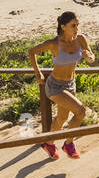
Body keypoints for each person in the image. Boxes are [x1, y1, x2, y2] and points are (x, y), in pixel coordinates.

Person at [27, 10, 94, 159]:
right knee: (81, 111)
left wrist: (89, 57)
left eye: (78, 25)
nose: (77, 29)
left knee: (61, 119)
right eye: (73, 26)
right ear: (63, 27)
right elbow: (32, 52)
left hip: (71, 84)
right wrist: (38, 73)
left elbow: (91, 57)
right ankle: (68, 144)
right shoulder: (54, 43)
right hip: (55, 86)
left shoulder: (81, 39)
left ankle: (48, 143)